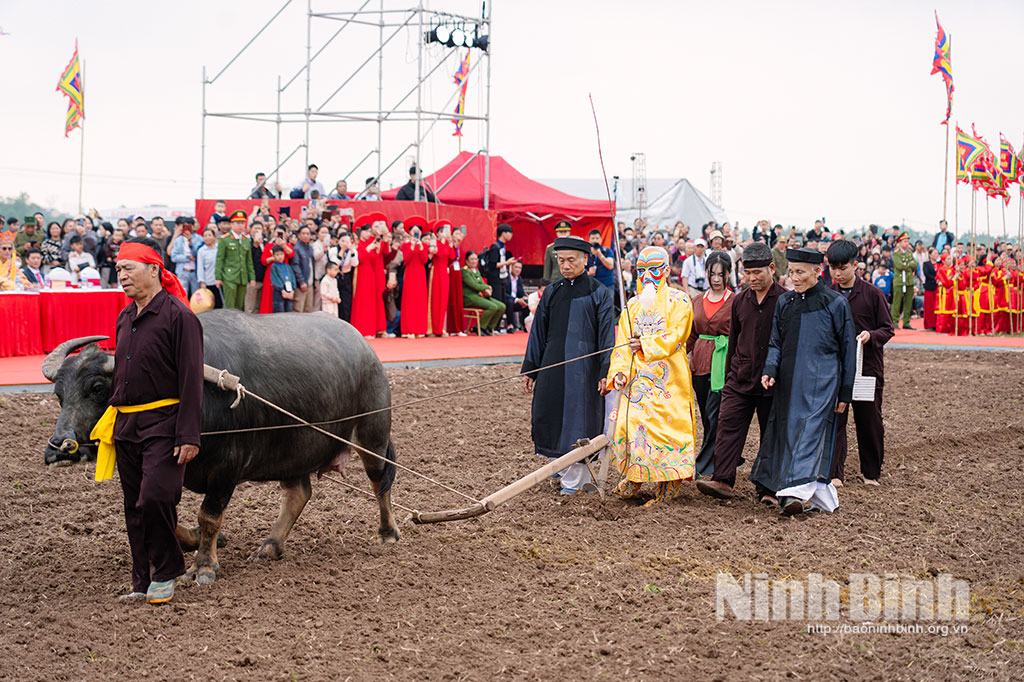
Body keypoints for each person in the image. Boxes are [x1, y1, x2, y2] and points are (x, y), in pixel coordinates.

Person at [95, 237, 202, 605]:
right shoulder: (125, 317)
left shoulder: (180, 317)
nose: (120, 275)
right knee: (133, 506)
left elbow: (191, 378)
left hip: (165, 423)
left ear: (154, 269)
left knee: (156, 497)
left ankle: (169, 568)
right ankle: (141, 579)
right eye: (118, 269)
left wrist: (189, 433)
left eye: (128, 268)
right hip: (126, 425)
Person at [749, 247, 856, 516]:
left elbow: (848, 352)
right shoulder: (785, 303)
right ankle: (813, 494)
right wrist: (770, 370)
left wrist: (845, 392)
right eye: (791, 271)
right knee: (787, 435)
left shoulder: (835, 303)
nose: (793, 277)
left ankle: (794, 493)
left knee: (808, 435)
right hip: (788, 382)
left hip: (823, 385)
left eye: (799, 272)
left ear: (816, 272)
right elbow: (776, 342)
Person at [605, 246, 698, 506]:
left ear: (667, 271)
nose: (648, 276)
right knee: (632, 426)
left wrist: (645, 345)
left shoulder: (679, 301)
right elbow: (622, 342)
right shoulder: (632, 306)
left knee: (667, 429)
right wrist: (620, 372)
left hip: (669, 378)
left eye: (654, 269)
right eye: (642, 270)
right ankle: (634, 477)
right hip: (637, 381)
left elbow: (677, 335)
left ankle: (669, 483)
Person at [522, 237, 614, 494]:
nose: (565, 265)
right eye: (561, 260)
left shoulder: (599, 292)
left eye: (571, 260)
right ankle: (560, 469)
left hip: (584, 371)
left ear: (585, 259)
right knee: (550, 416)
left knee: (579, 422)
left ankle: (576, 481)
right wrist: (531, 369)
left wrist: (605, 371)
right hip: (552, 366)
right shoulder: (551, 291)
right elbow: (538, 333)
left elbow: (607, 336)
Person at [696, 242, 786, 501]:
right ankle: (723, 479)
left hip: (772, 381)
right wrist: (729, 375)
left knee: (771, 433)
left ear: (771, 268)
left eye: (758, 273)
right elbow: (734, 340)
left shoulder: (784, 300)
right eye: (747, 273)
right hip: (740, 376)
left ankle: (768, 488)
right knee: (728, 425)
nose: (752, 278)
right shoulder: (740, 301)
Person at [826, 240, 894, 487]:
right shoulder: (828, 294)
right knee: (835, 420)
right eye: (833, 268)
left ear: (856, 265)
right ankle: (834, 473)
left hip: (867, 369)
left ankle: (871, 473)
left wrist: (870, 336)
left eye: (842, 268)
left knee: (869, 421)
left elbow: (887, 329)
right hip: (836, 370)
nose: (837, 273)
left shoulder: (872, 294)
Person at [686, 251, 734, 479]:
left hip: (721, 364)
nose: (716, 279)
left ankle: (702, 464)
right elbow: (691, 335)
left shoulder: (735, 301)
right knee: (706, 414)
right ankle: (718, 455)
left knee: (717, 414)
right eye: (712, 273)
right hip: (699, 362)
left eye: (720, 274)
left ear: (729, 274)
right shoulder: (697, 301)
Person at [350, 212, 390, 337]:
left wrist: (376, 248)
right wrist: (370, 248)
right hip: (362, 273)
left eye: (369, 231)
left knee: (369, 301)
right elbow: (359, 259)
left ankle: (370, 329)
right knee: (362, 301)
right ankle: (363, 329)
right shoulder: (359, 244)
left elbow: (373, 258)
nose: (368, 234)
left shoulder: (368, 243)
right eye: (366, 231)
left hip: (370, 273)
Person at [214, 210, 255, 311]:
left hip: (242, 277)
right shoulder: (225, 240)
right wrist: (218, 277)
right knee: (230, 307)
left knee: (239, 306)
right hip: (229, 277)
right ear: (231, 224)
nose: (241, 226)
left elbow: (248, 261)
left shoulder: (246, 240)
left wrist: (252, 277)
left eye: (242, 223)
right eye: (238, 223)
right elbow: (220, 259)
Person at [481, 224, 517, 333]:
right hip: (495, 279)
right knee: (497, 302)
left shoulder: (502, 246)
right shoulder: (495, 246)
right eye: (509, 232)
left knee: (503, 302)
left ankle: (496, 326)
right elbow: (492, 264)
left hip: (502, 278)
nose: (511, 235)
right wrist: (507, 263)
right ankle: (493, 327)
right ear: (503, 233)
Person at [399, 216, 430, 337]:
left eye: (418, 231)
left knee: (420, 300)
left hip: (420, 274)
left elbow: (424, 260)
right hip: (410, 273)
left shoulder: (425, 246)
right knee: (410, 300)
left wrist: (421, 247)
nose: (416, 233)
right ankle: (408, 329)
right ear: (410, 232)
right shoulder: (405, 245)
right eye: (414, 231)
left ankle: (419, 329)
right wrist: (412, 247)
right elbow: (406, 259)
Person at [462, 251, 506, 335]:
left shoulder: (476, 271)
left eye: (475, 259)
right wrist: (487, 288)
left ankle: (489, 327)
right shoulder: (464, 271)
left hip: (478, 296)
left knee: (501, 306)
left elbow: (482, 283)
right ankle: (480, 327)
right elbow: (474, 285)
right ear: (467, 261)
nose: (474, 261)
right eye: (471, 259)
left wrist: (487, 287)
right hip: (469, 297)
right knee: (492, 307)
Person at [427, 219, 456, 336]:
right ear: (438, 233)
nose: (447, 234)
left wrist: (450, 244)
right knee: (435, 299)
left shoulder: (448, 244)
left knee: (443, 299)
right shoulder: (435, 243)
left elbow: (452, 256)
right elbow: (439, 253)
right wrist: (443, 241)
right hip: (436, 271)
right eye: (444, 231)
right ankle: (433, 328)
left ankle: (440, 327)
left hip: (444, 272)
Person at [170, 221, 203, 297]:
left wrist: (190, 242)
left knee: (196, 297)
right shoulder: (178, 240)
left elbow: (198, 254)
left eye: (189, 226)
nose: (187, 229)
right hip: (182, 272)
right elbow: (173, 257)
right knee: (182, 295)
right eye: (185, 226)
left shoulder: (199, 239)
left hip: (195, 273)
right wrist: (187, 258)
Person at [890, 232, 916, 329]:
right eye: (905, 241)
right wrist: (909, 264)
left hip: (909, 280)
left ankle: (906, 322)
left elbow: (915, 264)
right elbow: (899, 265)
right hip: (899, 280)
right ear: (899, 242)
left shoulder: (909, 252)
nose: (907, 243)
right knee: (897, 302)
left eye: (908, 241)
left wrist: (907, 264)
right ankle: (894, 321)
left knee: (908, 302)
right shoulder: (896, 253)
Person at [446, 226, 468, 335]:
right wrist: (454, 245)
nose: (458, 236)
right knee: (452, 300)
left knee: (458, 300)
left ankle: (459, 327)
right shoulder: (449, 245)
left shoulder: (460, 247)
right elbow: (451, 258)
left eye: (460, 234)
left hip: (458, 273)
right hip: (450, 272)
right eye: (456, 233)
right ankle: (452, 328)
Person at [289, 225, 315, 313]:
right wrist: (301, 281)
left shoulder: (310, 248)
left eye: (308, 233)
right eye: (303, 233)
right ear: (299, 235)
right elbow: (295, 265)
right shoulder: (297, 248)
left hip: (310, 283)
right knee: (298, 309)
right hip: (301, 284)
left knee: (308, 310)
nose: (306, 236)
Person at [195, 227, 222, 309]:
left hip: (221, 281)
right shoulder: (202, 251)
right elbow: (200, 267)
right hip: (209, 281)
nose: (207, 238)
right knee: (210, 304)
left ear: (214, 237)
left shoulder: (219, 248)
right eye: (205, 236)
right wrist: (202, 281)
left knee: (221, 304)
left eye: (209, 235)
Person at [269, 245, 296, 312]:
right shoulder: (274, 267)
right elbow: (275, 280)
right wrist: (282, 290)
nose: (280, 256)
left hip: (289, 292)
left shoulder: (288, 266)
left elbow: (292, 278)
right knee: (280, 312)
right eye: (277, 255)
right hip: (279, 293)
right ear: (274, 256)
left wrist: (292, 291)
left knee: (289, 312)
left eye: (281, 254)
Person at [506, 260, 529, 331]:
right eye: (516, 267)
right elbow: (504, 293)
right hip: (507, 300)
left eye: (520, 268)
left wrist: (524, 296)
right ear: (511, 267)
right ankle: (510, 325)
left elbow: (520, 291)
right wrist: (516, 299)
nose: (518, 270)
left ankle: (525, 325)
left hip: (516, 300)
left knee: (527, 302)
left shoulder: (519, 278)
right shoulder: (506, 277)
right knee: (510, 302)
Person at [922, 247, 939, 331]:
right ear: (930, 254)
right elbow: (927, 274)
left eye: (937, 253)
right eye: (934, 253)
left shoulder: (940, 264)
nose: (936, 255)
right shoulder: (926, 264)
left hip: (938, 287)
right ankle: (929, 324)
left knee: (936, 305)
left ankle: (937, 323)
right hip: (930, 286)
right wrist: (936, 279)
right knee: (929, 306)